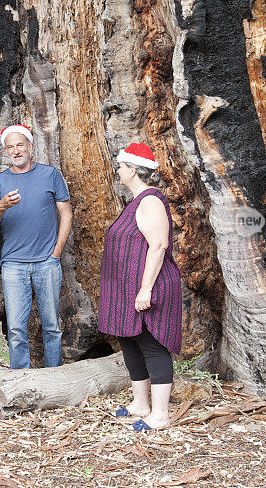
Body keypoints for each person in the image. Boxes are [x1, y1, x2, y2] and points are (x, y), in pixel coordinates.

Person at [98, 142, 183, 431]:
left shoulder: (150, 201)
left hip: (150, 287)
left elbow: (158, 246)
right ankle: (140, 404)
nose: (118, 171)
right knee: (129, 339)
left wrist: (145, 289)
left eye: (121, 166)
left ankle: (160, 415)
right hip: (125, 289)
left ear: (132, 170)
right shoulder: (137, 201)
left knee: (152, 344)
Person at [0, 124, 73, 369]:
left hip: (47, 262)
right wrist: (1, 206)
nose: (16, 151)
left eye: (20, 145)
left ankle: (54, 377)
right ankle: (20, 381)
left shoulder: (50, 174)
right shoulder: (0, 181)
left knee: (52, 326)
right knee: (15, 329)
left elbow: (66, 213)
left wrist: (56, 252)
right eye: (10, 147)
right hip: (13, 264)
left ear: (30, 147)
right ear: (6, 151)